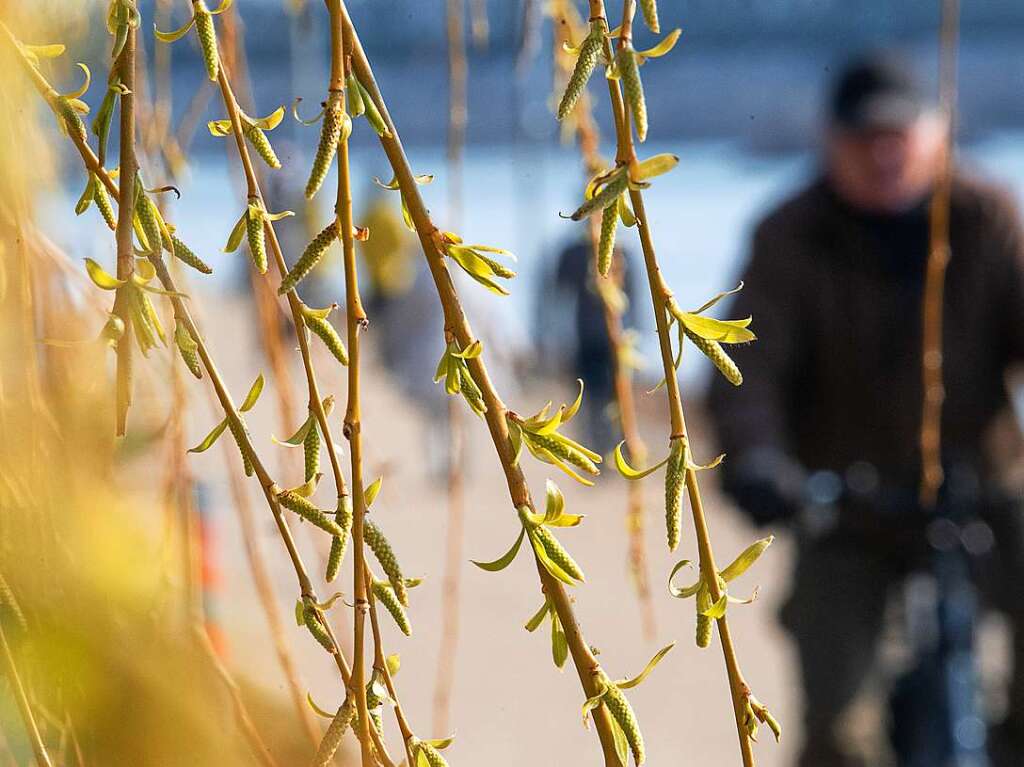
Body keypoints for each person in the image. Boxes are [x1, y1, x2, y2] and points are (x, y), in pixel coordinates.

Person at [708, 54, 1024, 767]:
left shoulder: (985, 218)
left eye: (898, 135)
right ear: (829, 141)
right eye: (862, 138)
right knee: (837, 722)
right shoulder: (788, 236)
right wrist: (758, 461)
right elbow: (744, 369)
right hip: (844, 502)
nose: (883, 153)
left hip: (981, 486)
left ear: (935, 135)